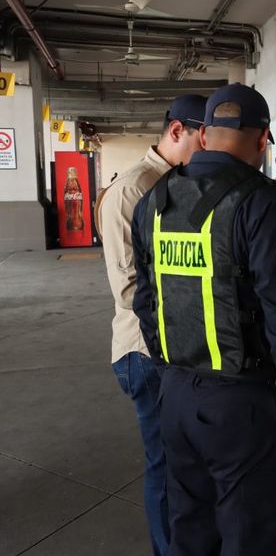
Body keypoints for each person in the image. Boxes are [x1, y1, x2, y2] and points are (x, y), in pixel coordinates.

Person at [130, 83, 276, 556]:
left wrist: (171, 371)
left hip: (175, 397)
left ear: (204, 136)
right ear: (263, 140)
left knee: (190, 529)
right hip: (242, 406)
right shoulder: (265, 201)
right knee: (252, 534)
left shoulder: (154, 201)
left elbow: (146, 302)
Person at [95, 93, 206, 556]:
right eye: (205, 139)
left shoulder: (186, 183)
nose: (212, 151)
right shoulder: (133, 190)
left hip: (182, 349)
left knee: (189, 462)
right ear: (177, 130)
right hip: (146, 352)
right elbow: (129, 290)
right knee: (166, 464)